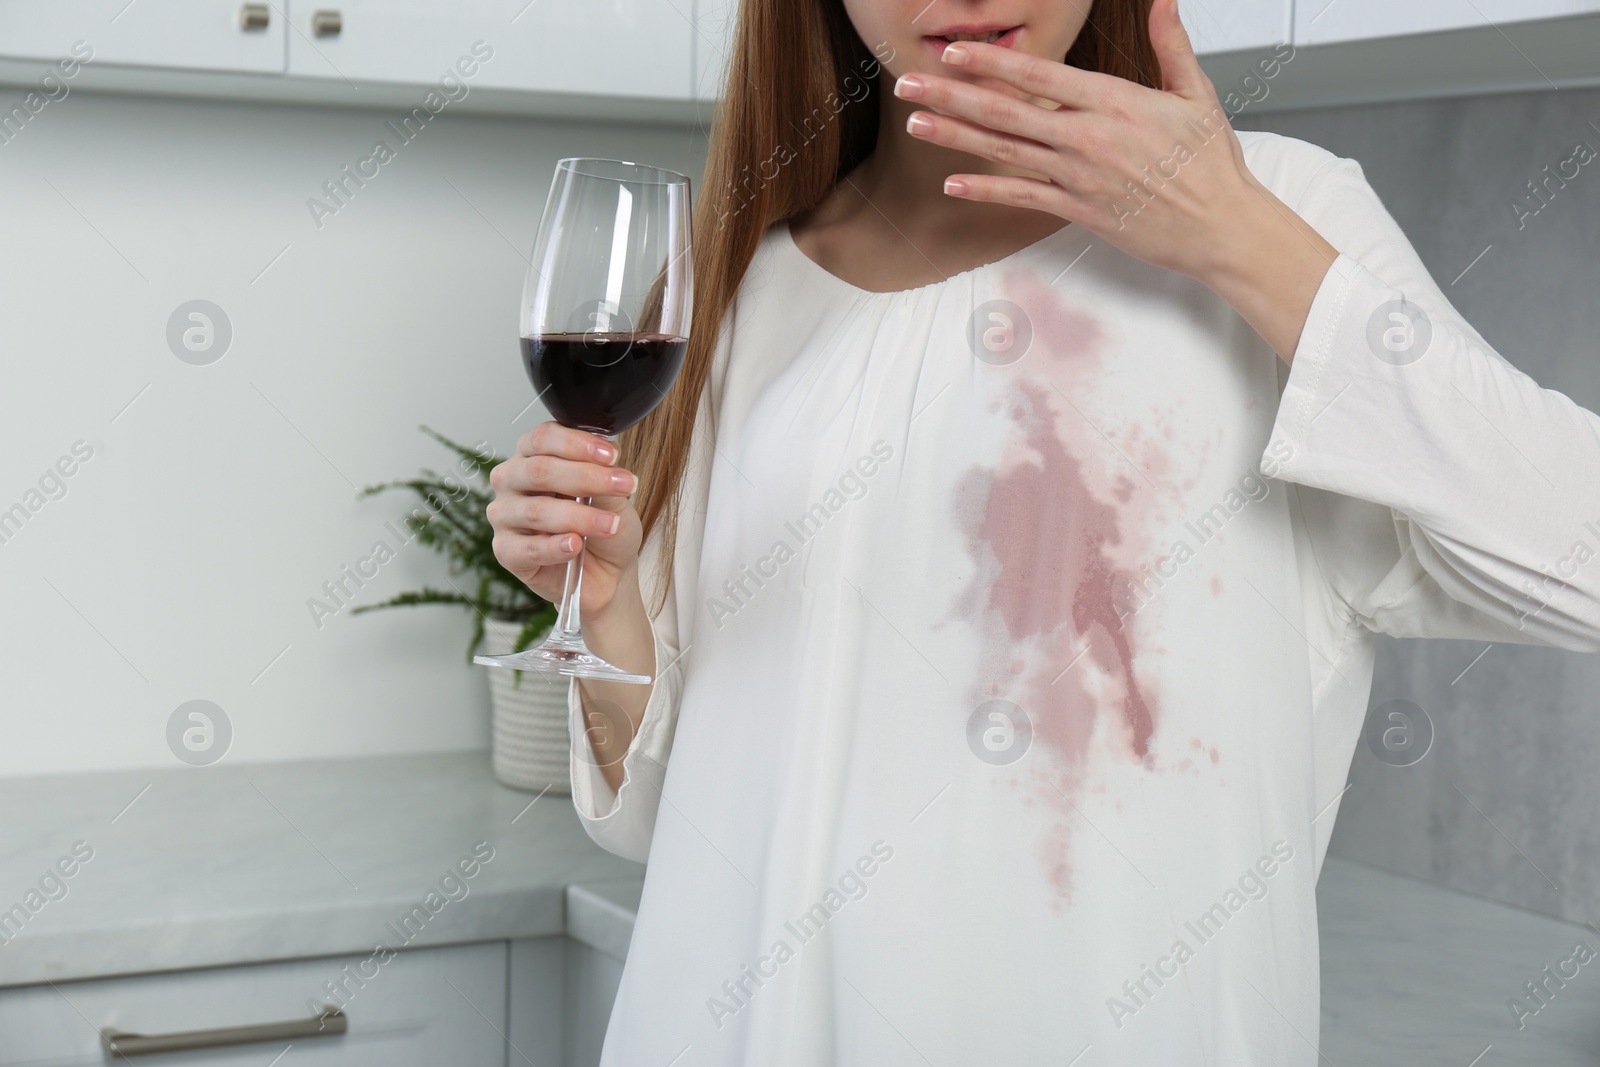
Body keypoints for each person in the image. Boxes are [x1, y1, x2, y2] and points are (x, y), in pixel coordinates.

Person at [485, 0, 1600, 1062]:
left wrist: (1235, 239)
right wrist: (608, 597)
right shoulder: (735, 290)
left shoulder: (1282, 211)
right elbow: (666, 813)